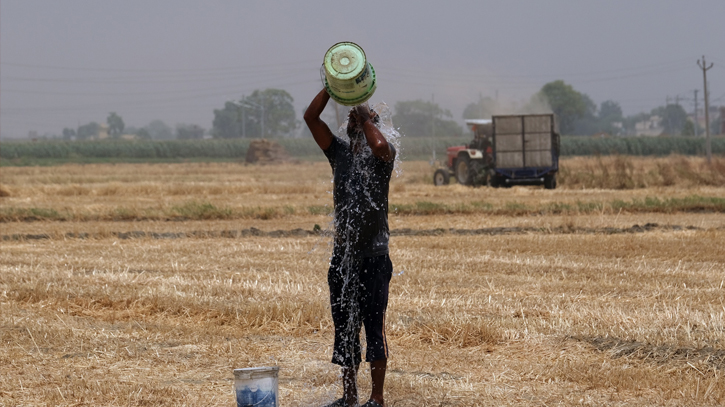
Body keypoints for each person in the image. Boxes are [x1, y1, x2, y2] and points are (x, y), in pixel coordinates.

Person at [304, 88, 396, 407]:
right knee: (344, 329)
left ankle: (377, 398)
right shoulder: (339, 153)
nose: (353, 124)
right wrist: (333, 88)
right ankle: (350, 397)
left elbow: (380, 143)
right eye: (352, 121)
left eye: (361, 122)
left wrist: (362, 107)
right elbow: (310, 118)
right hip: (343, 259)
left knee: (373, 328)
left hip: (374, 258)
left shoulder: (383, 157)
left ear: (372, 125)